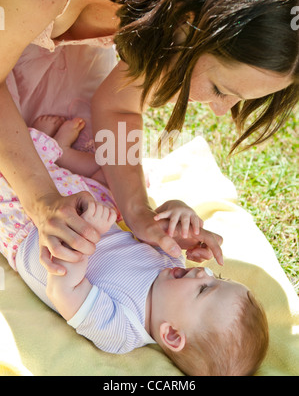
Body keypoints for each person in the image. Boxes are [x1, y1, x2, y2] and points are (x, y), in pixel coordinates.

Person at [0, 0, 298, 276]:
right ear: (188, 25)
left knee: (82, 154)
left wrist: (139, 211)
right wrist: (44, 202)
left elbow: (120, 106)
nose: (219, 109)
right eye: (220, 89)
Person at [0, 118, 268, 376]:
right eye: (217, 277)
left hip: (29, 228)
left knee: (11, 174)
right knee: (102, 179)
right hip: (81, 201)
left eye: (204, 290)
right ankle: (55, 152)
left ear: (172, 334)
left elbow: (62, 289)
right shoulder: (171, 266)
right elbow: (151, 224)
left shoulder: (122, 329)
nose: (203, 273)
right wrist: (179, 217)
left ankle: (43, 148)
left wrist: (90, 234)